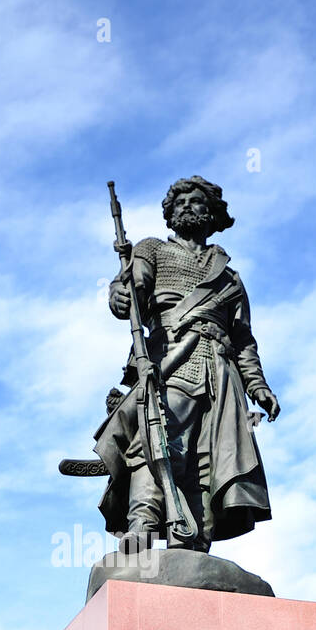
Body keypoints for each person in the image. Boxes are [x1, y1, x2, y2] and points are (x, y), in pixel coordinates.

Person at [95, 175, 279, 551]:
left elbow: (243, 338)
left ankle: (194, 542)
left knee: (207, 459)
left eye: (195, 201)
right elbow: (132, 288)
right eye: (178, 203)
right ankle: (142, 523)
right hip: (172, 361)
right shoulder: (152, 250)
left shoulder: (229, 278)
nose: (185, 207)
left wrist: (257, 385)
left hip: (221, 374)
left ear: (211, 214)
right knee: (155, 438)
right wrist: (119, 296)